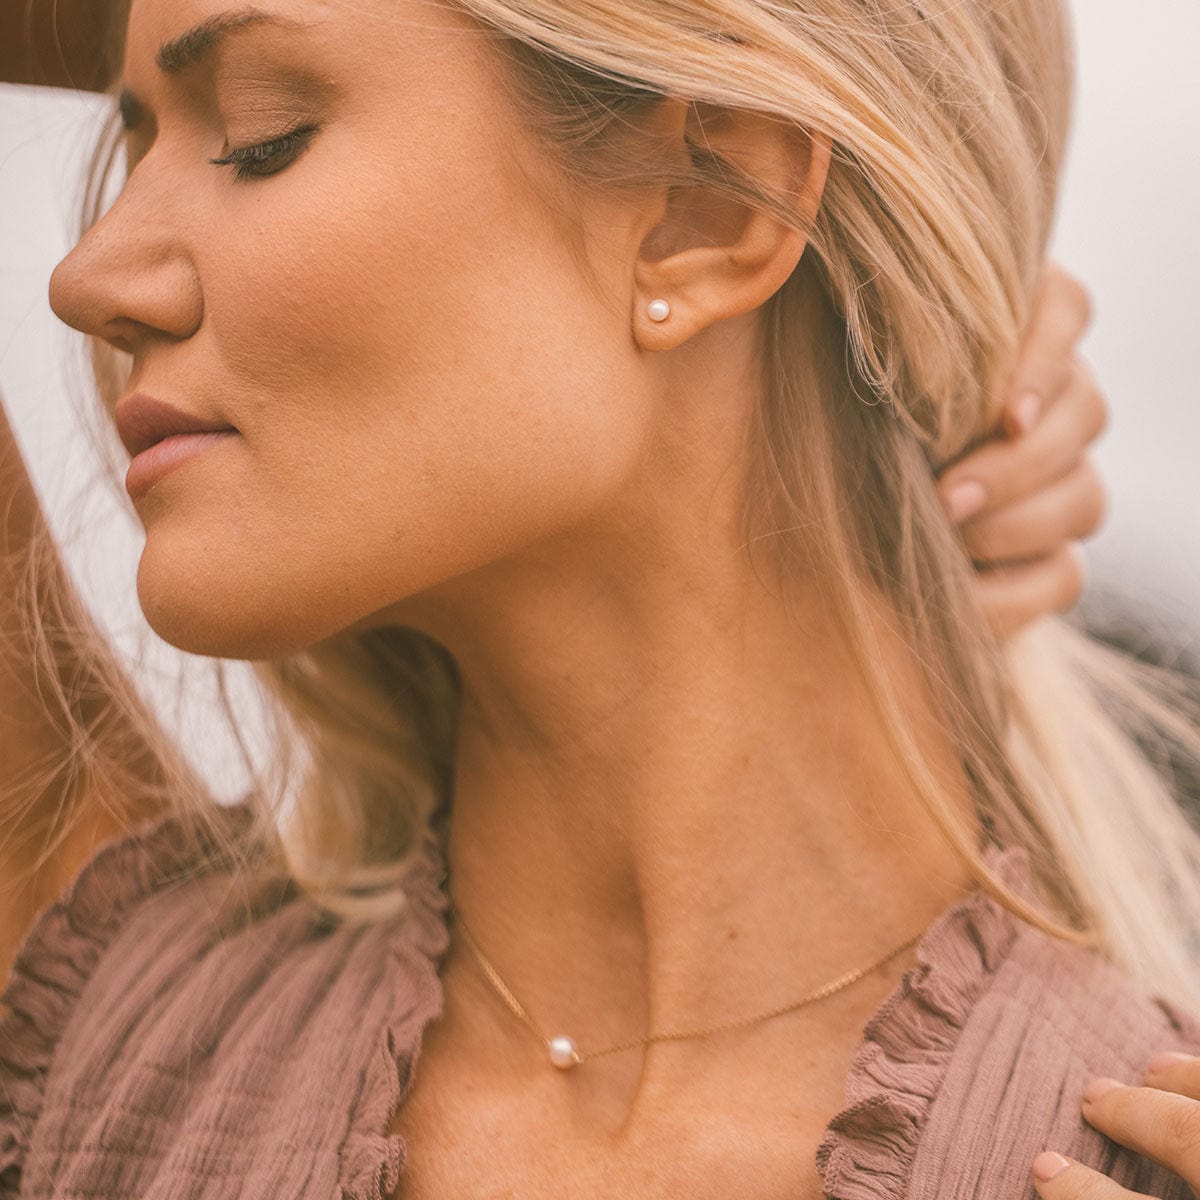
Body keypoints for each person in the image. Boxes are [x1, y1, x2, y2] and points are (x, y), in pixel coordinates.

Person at [3, 1, 1200, 1199]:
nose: (87, 274)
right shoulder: (131, 1039)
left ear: (708, 210)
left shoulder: (1133, 1142)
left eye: (261, 137)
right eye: (135, 140)